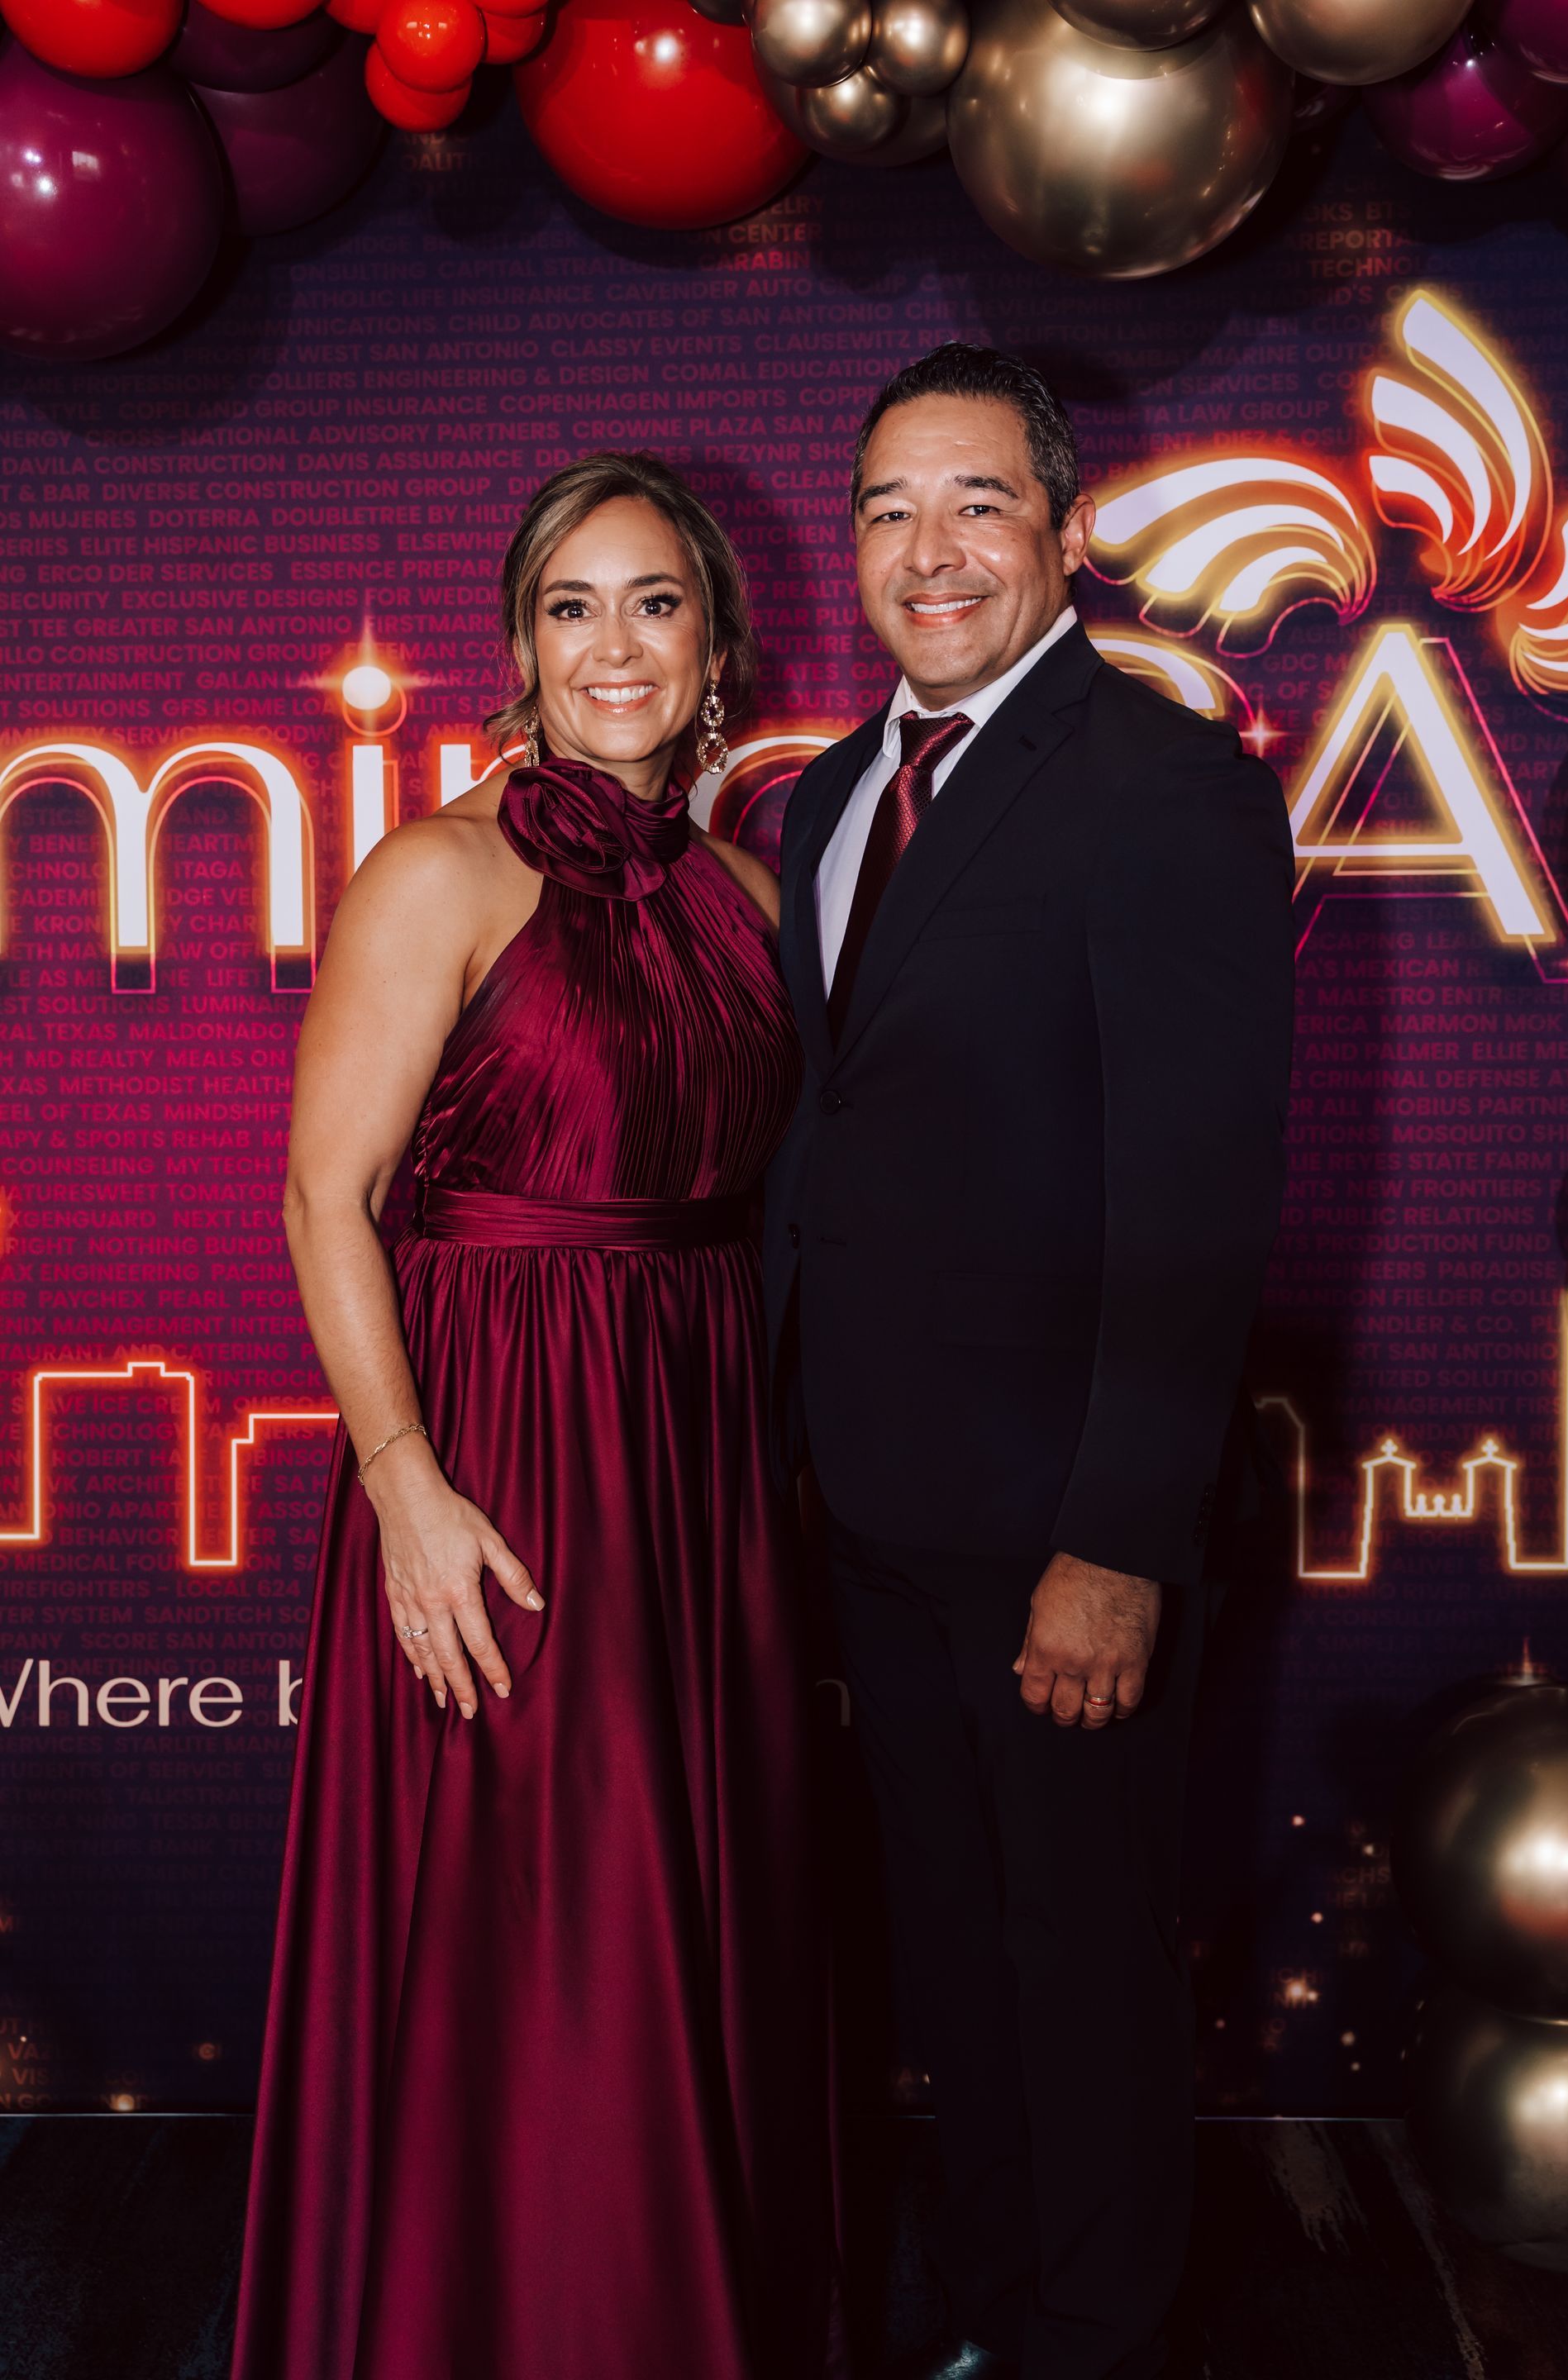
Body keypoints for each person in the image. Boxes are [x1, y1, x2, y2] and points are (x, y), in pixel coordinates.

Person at [231, 452, 837, 2380]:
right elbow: (327, 1197)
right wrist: (405, 1490)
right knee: (541, 1910)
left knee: (694, 1895)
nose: (615, 647)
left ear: (718, 645)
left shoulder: (757, 896)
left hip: (700, 1450)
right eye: (573, 607)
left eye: (656, 602)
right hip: (497, 1447)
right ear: (521, 645)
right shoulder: (437, 871)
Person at [764, 344, 1295, 2380]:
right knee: (953, 1963)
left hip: (1059, 1530)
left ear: (1066, 534)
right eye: (890, 508)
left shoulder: (1166, 785)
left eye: (977, 502)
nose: (931, 549)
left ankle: (1093, 2337)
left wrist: (1118, 1542)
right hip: (870, 1508)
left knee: (1079, 1965)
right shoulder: (833, 795)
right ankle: (994, 2315)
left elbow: (1196, 1199)